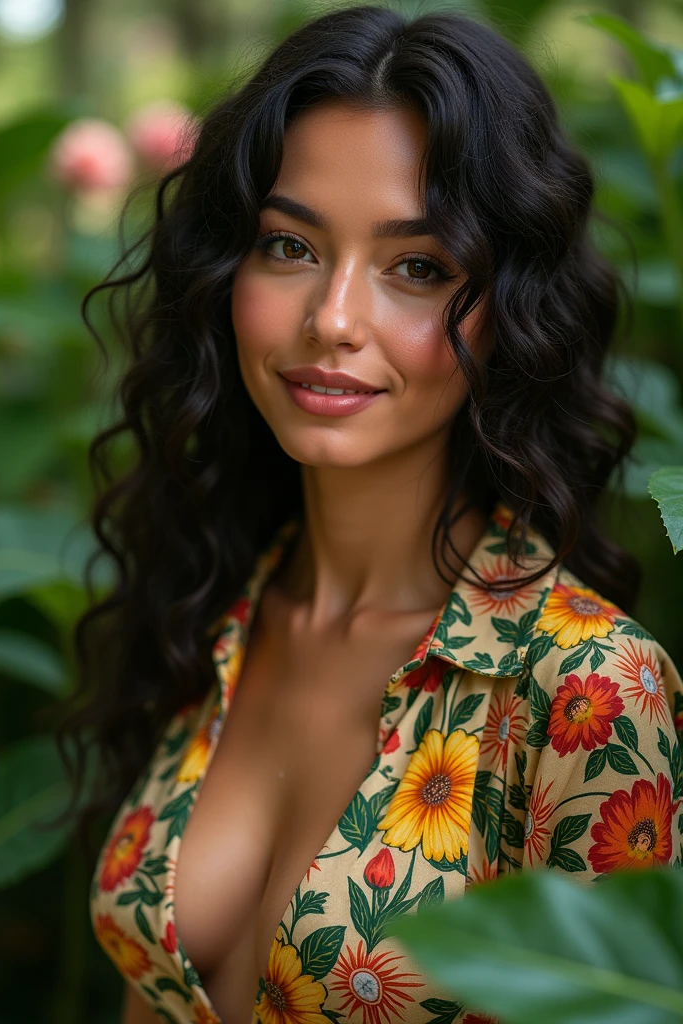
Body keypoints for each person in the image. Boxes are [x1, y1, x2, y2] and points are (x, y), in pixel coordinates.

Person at [58, 5, 683, 1023]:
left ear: (511, 310)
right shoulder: (213, 605)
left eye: (418, 267)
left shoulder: (587, 691)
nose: (334, 318)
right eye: (290, 246)